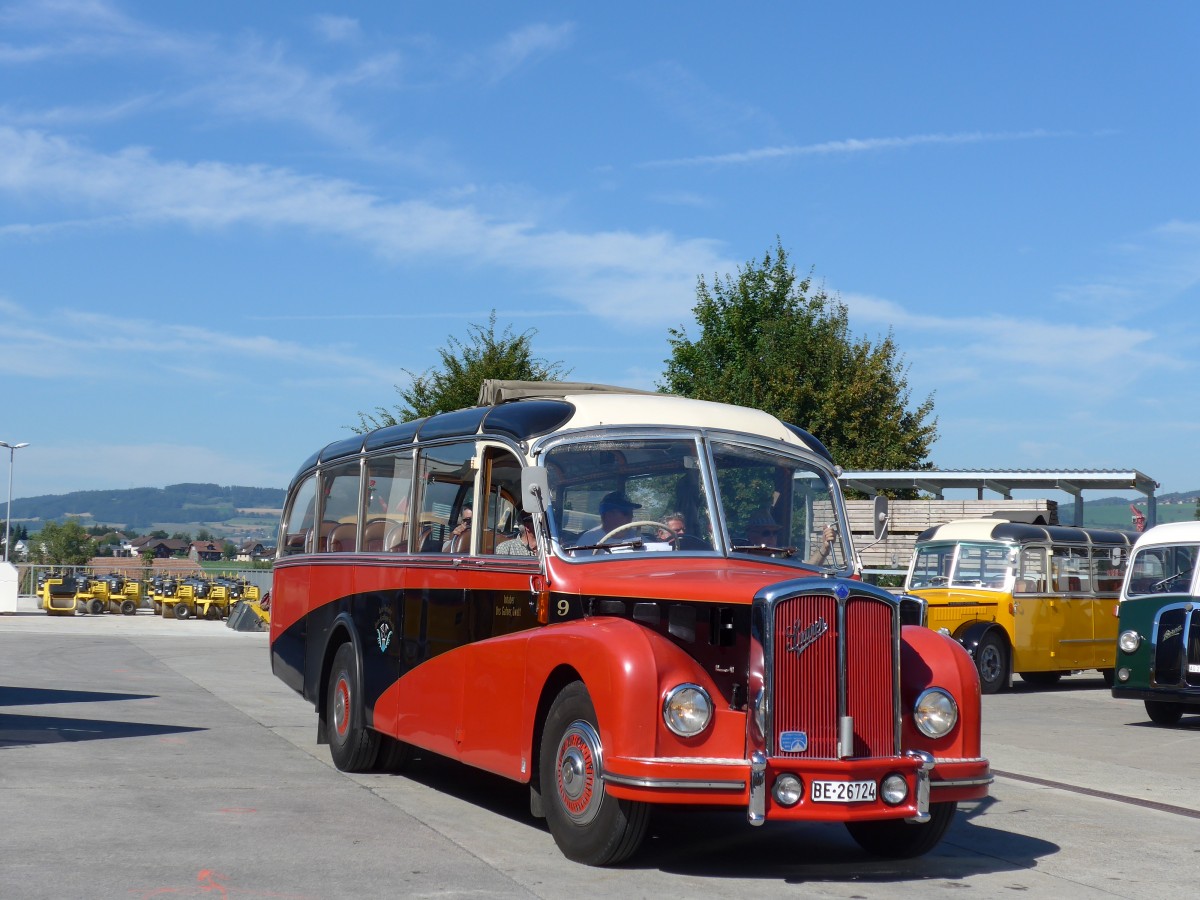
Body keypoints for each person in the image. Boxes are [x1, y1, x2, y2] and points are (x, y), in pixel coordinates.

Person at [576, 491, 642, 547]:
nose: (630, 517)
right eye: (625, 513)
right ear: (608, 515)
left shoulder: (636, 536)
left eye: (631, 513)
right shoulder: (588, 539)